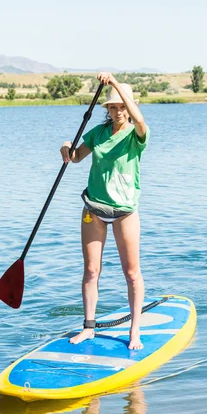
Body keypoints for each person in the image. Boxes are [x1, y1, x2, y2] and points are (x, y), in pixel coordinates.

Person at [60, 72, 150, 350]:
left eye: (122, 106)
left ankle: (135, 331)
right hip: (93, 209)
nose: (118, 110)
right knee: (90, 271)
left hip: (124, 211)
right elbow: (75, 157)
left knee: (132, 273)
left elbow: (140, 120)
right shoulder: (98, 133)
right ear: (108, 110)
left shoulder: (137, 135)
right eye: (113, 107)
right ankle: (89, 328)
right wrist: (65, 147)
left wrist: (116, 86)